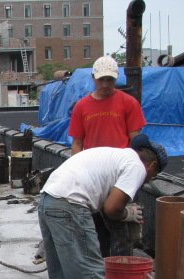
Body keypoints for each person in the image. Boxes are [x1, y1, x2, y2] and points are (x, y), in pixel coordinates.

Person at [38, 134, 167, 279]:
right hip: (71, 204)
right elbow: (112, 208)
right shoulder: (136, 167)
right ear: (151, 165)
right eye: (154, 175)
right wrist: (127, 214)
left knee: (62, 269)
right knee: (89, 267)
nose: (149, 179)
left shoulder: (116, 156)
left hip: (48, 199)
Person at [69, 55, 147, 256]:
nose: (105, 84)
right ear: (94, 78)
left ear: (116, 78)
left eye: (110, 80)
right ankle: (101, 267)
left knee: (122, 227)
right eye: (101, 79)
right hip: (95, 176)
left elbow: (135, 140)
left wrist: (135, 173)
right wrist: (78, 173)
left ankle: (120, 270)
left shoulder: (128, 103)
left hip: (121, 174)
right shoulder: (82, 107)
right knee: (96, 228)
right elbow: (77, 143)